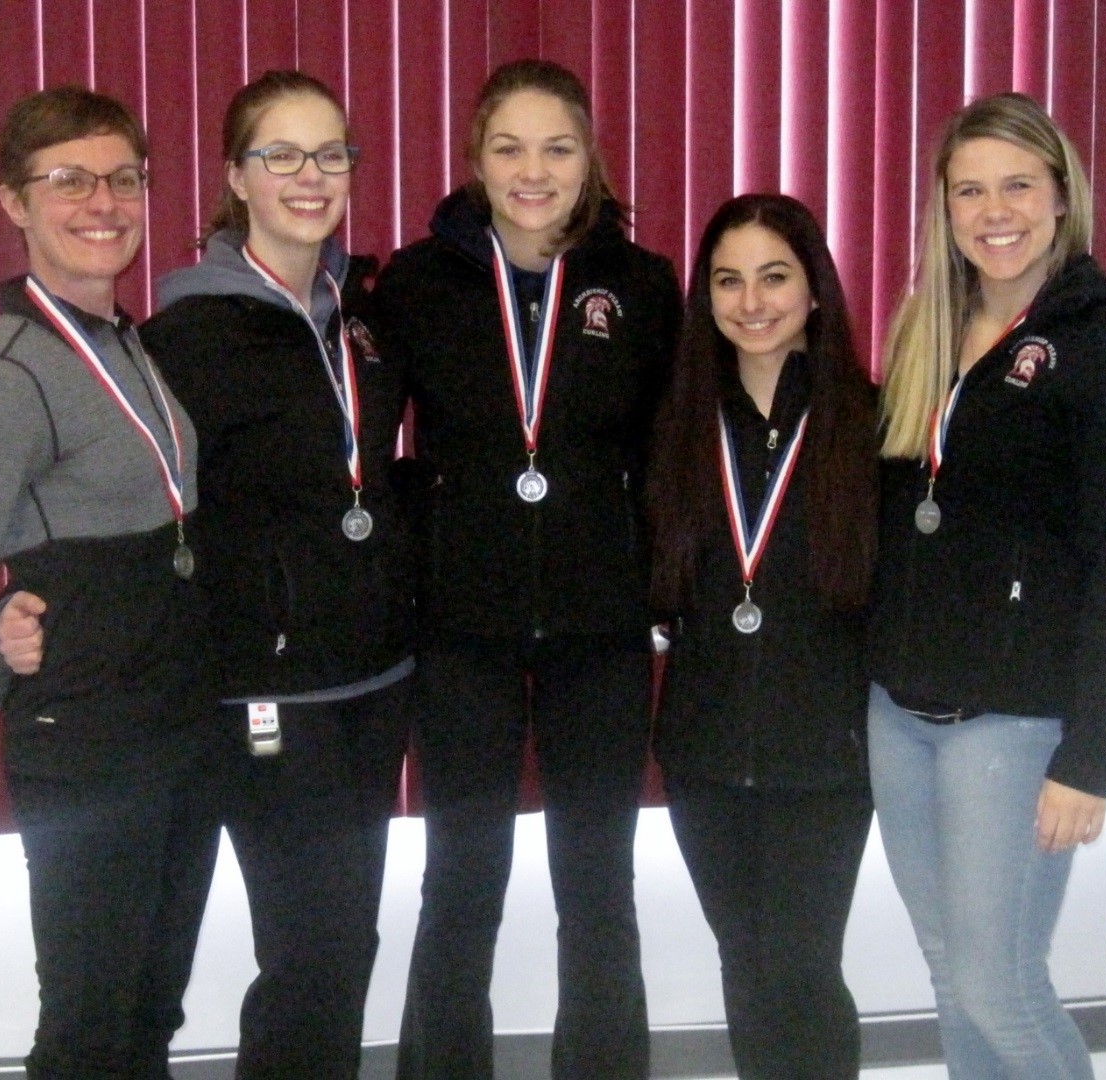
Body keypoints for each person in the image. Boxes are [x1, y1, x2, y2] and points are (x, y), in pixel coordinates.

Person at [372, 58, 680, 1080]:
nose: (533, 170)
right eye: (509, 147)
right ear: (474, 159)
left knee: (598, 887)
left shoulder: (641, 284)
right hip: (463, 636)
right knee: (461, 883)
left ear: (590, 158)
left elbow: (670, 457)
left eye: (558, 147)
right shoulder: (414, 284)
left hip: (600, 634)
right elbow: (370, 452)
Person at [868, 91, 1106, 1078]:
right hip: (901, 713)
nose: (993, 211)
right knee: (953, 972)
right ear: (944, 207)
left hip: (1015, 723)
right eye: (969, 190)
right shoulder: (926, 327)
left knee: (1002, 986)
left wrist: (1090, 759)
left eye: (1016, 185)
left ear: (1059, 196)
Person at [0, 87, 218, 1078]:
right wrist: (28, 688)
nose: (104, 201)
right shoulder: (12, 375)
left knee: (148, 1009)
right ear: (13, 201)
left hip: (171, 721)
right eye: (69, 180)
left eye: (123, 177)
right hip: (92, 747)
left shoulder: (119, 339)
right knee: (90, 1023)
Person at [138, 70, 413, 1079]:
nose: (311, 176)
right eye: (282, 155)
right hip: (265, 694)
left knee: (350, 948)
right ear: (235, 177)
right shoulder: (185, 338)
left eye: (331, 153)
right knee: (310, 954)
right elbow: (138, 506)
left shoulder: (364, 322)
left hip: (375, 682)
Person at [647, 194, 878, 1079]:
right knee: (745, 968)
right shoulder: (675, 428)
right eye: (728, 279)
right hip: (705, 757)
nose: (751, 300)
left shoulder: (873, 425)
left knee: (804, 970)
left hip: (824, 760)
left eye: (775, 277)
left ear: (815, 289)